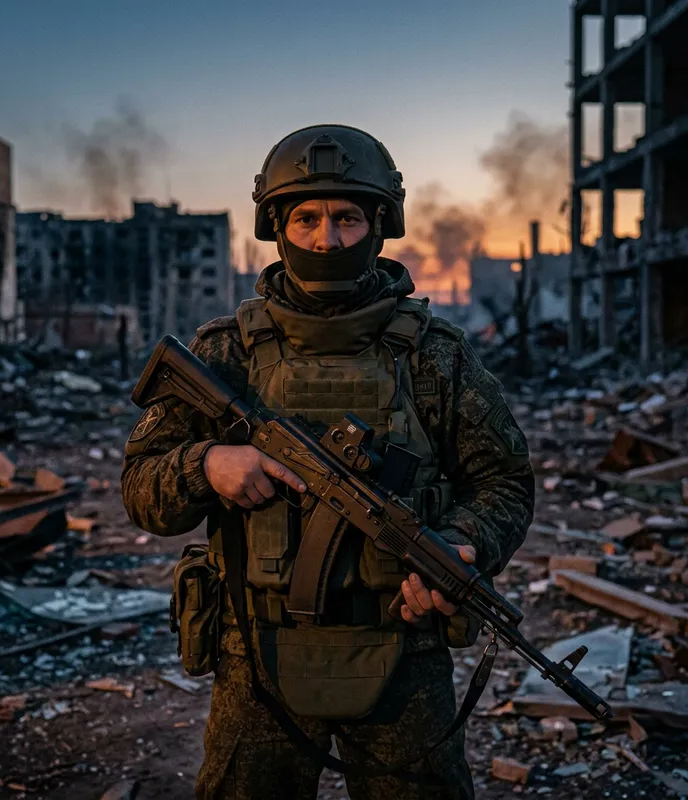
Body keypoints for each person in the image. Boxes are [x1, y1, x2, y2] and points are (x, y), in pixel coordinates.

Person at [121, 124, 534, 800]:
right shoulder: (226, 352)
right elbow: (141, 487)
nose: (326, 238)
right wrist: (207, 464)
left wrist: (461, 545)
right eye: (307, 218)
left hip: (403, 655)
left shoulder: (434, 355)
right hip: (257, 656)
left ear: (379, 223)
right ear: (278, 224)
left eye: (346, 217)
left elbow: (504, 483)